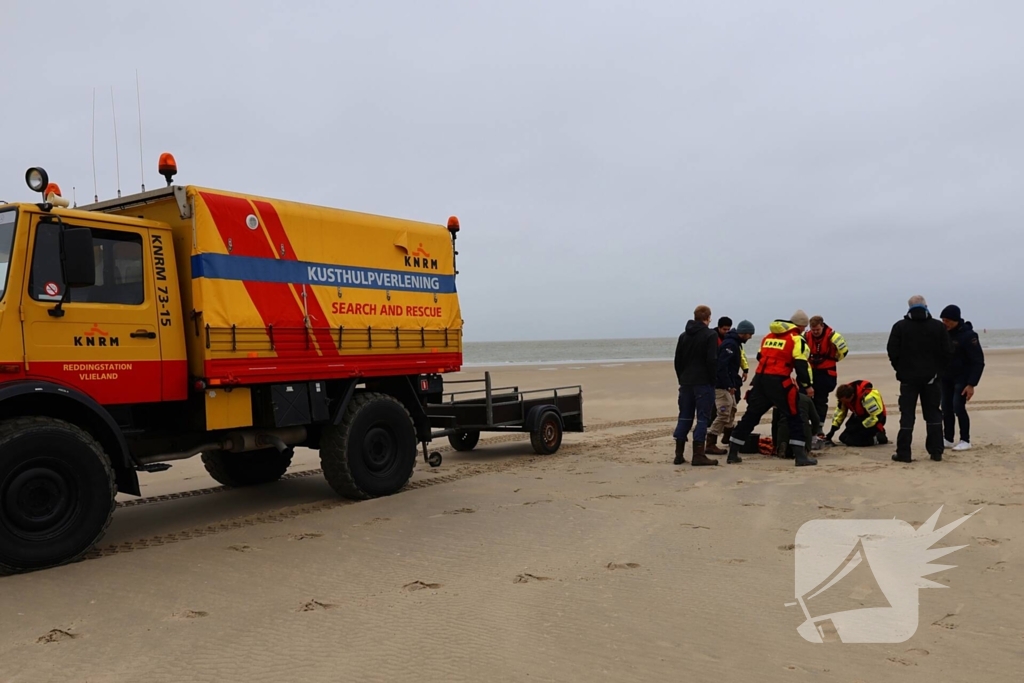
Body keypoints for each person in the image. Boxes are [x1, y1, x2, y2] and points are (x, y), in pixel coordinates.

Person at [726, 310, 818, 467]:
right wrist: (807, 386)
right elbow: (801, 365)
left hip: (760, 381)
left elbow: (760, 357)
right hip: (780, 382)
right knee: (794, 417)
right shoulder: (797, 339)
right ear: (801, 326)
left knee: (751, 416)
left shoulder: (768, 337)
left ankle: (733, 453)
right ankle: (800, 456)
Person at [886, 295, 953, 462]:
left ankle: (904, 453)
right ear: (926, 306)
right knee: (933, 414)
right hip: (930, 378)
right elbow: (948, 351)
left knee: (907, 414)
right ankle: (936, 451)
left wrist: (900, 370)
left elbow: (892, 351)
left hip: (909, 379)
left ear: (909, 307)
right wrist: (938, 371)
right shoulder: (938, 327)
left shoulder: (900, 326)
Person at [672, 305, 720, 466]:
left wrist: (682, 378)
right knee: (702, 418)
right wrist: (713, 380)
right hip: (703, 382)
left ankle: (678, 454)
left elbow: (677, 360)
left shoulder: (683, 336)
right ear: (708, 318)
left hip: (686, 382)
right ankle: (698, 454)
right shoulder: (710, 335)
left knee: (684, 416)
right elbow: (711, 360)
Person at [939, 304, 985, 451]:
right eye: (943, 320)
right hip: (945, 377)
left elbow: (978, 361)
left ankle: (965, 440)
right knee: (946, 408)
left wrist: (971, 384)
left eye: (947, 321)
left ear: (956, 320)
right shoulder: (944, 334)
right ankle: (948, 438)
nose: (945, 323)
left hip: (963, 379)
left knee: (958, 407)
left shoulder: (969, 336)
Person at [707, 320, 755, 455]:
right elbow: (722, 367)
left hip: (730, 383)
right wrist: (728, 385)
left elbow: (736, 363)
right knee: (723, 412)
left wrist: (736, 379)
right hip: (722, 385)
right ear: (743, 333)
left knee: (732, 408)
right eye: (750, 334)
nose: (750, 337)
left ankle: (727, 437)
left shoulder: (735, 343)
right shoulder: (730, 345)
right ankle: (710, 441)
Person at [805, 316, 849, 424]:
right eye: (813, 329)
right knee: (805, 400)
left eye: (817, 330)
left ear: (822, 325)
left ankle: (819, 426)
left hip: (826, 373)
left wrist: (834, 359)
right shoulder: (805, 336)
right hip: (810, 372)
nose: (815, 332)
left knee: (821, 400)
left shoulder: (834, 336)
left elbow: (844, 351)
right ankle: (806, 424)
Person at [825, 380, 888, 447]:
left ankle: (878, 437)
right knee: (843, 437)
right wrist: (832, 430)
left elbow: (876, 417)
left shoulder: (867, 397)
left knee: (854, 440)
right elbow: (840, 413)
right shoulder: (844, 397)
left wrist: (859, 427)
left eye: (845, 401)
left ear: (852, 396)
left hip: (876, 421)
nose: (844, 403)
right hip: (860, 416)